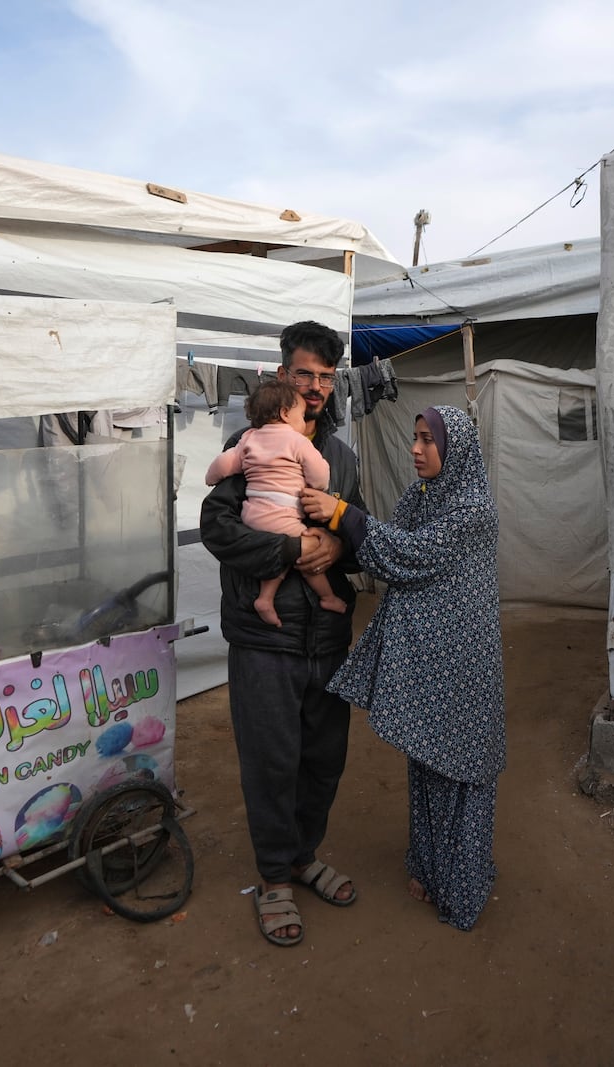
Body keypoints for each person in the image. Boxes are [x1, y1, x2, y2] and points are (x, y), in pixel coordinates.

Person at [300, 404, 506, 931]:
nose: (415, 450)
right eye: (414, 439)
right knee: (426, 761)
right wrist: (336, 540)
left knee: (461, 771)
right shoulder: (421, 497)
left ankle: (461, 879)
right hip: (428, 665)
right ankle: (428, 867)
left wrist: (343, 515)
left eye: (426, 441)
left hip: (463, 666)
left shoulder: (473, 511)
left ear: (453, 449)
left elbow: (410, 555)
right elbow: (381, 551)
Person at [200, 320, 366, 947]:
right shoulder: (252, 444)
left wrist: (336, 542)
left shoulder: (341, 459)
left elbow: (364, 534)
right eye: (305, 374)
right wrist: (292, 546)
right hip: (263, 636)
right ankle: (274, 877)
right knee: (272, 760)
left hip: (325, 635)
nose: (316, 386)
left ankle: (303, 855)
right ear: (282, 375)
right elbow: (218, 529)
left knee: (323, 758)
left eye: (326, 377)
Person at [204, 379, 347, 627]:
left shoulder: (248, 438)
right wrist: (319, 487)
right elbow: (319, 473)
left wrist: (210, 478)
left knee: (280, 554)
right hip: (282, 513)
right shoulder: (297, 441)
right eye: (300, 416)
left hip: (253, 515)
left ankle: (265, 598)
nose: (303, 422)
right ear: (284, 413)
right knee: (309, 550)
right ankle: (328, 596)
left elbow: (224, 464)